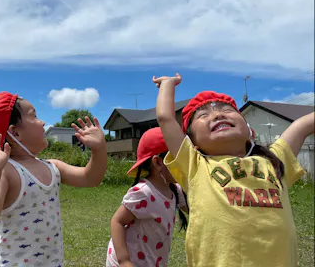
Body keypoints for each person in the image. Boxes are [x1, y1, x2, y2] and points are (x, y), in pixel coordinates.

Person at [153, 73, 314, 267]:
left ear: (249, 132)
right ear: (193, 143)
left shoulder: (274, 161)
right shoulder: (195, 165)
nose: (218, 114)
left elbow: (303, 125)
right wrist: (167, 84)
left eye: (228, 111)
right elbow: (165, 118)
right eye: (203, 116)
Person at [0, 92, 108, 267]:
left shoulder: (53, 166)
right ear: (15, 133)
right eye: (34, 116)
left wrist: (99, 149)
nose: (42, 122)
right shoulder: (7, 171)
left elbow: (90, 178)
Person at [106, 127, 188, 267]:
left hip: (153, 259)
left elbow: (197, 210)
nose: (185, 163)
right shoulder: (143, 192)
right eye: (180, 158)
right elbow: (117, 221)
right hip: (131, 261)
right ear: (158, 162)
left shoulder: (174, 189)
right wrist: (124, 260)